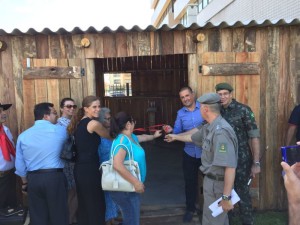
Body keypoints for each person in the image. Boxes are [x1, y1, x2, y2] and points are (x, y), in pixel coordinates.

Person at [165, 93, 238, 225]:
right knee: (209, 219)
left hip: (219, 186)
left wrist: (226, 197)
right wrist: (175, 137)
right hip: (211, 182)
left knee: (217, 221)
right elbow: (192, 138)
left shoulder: (221, 132)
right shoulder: (209, 127)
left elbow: (230, 167)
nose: (199, 110)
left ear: (205, 109)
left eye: (200, 108)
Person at [15, 102, 68, 225]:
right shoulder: (61, 131)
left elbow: (20, 164)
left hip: (33, 179)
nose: (56, 116)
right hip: (55, 177)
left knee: (38, 217)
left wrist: (25, 183)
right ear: (46, 116)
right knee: (59, 215)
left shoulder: (23, 136)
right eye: (54, 113)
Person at [215, 82, 260, 225]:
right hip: (223, 159)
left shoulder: (244, 110)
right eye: (220, 94)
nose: (222, 97)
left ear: (231, 94)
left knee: (242, 193)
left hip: (242, 160)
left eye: (225, 94)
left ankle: (248, 222)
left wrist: (256, 163)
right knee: (225, 192)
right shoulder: (216, 111)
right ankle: (227, 221)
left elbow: (254, 137)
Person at [109, 111, 162, 225]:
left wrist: (154, 136)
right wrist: (136, 183)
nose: (135, 123)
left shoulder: (130, 137)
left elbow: (142, 137)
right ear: (128, 124)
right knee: (132, 221)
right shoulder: (122, 141)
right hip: (127, 188)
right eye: (134, 121)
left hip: (130, 187)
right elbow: (117, 165)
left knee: (131, 220)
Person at [67, 95, 111, 225]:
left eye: (99, 106)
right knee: (95, 204)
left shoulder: (79, 122)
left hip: (81, 168)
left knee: (86, 204)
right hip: (89, 169)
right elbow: (110, 136)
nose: (98, 109)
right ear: (86, 108)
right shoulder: (93, 124)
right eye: (94, 107)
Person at [163, 86, 204, 222]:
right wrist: (171, 130)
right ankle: (190, 209)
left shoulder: (203, 108)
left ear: (192, 94)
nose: (186, 99)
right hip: (189, 153)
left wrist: (175, 135)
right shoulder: (180, 113)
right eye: (182, 97)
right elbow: (177, 131)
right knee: (190, 183)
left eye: (187, 95)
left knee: (210, 182)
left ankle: (209, 209)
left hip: (206, 153)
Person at [58, 97, 78, 225]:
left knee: (74, 192)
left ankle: (71, 218)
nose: (71, 109)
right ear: (61, 108)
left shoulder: (73, 122)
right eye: (68, 106)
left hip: (73, 161)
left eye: (73, 106)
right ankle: (68, 220)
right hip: (67, 162)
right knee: (72, 192)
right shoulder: (60, 124)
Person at [98, 107, 119, 225]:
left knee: (114, 194)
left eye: (110, 118)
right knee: (107, 195)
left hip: (115, 167)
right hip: (104, 168)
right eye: (106, 119)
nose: (109, 121)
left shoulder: (112, 132)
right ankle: (108, 220)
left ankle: (113, 218)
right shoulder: (99, 135)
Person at [0, 102, 17, 211]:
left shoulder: (5, 130)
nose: (3, 113)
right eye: (0, 111)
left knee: (8, 208)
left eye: (3, 110)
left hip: (9, 175)